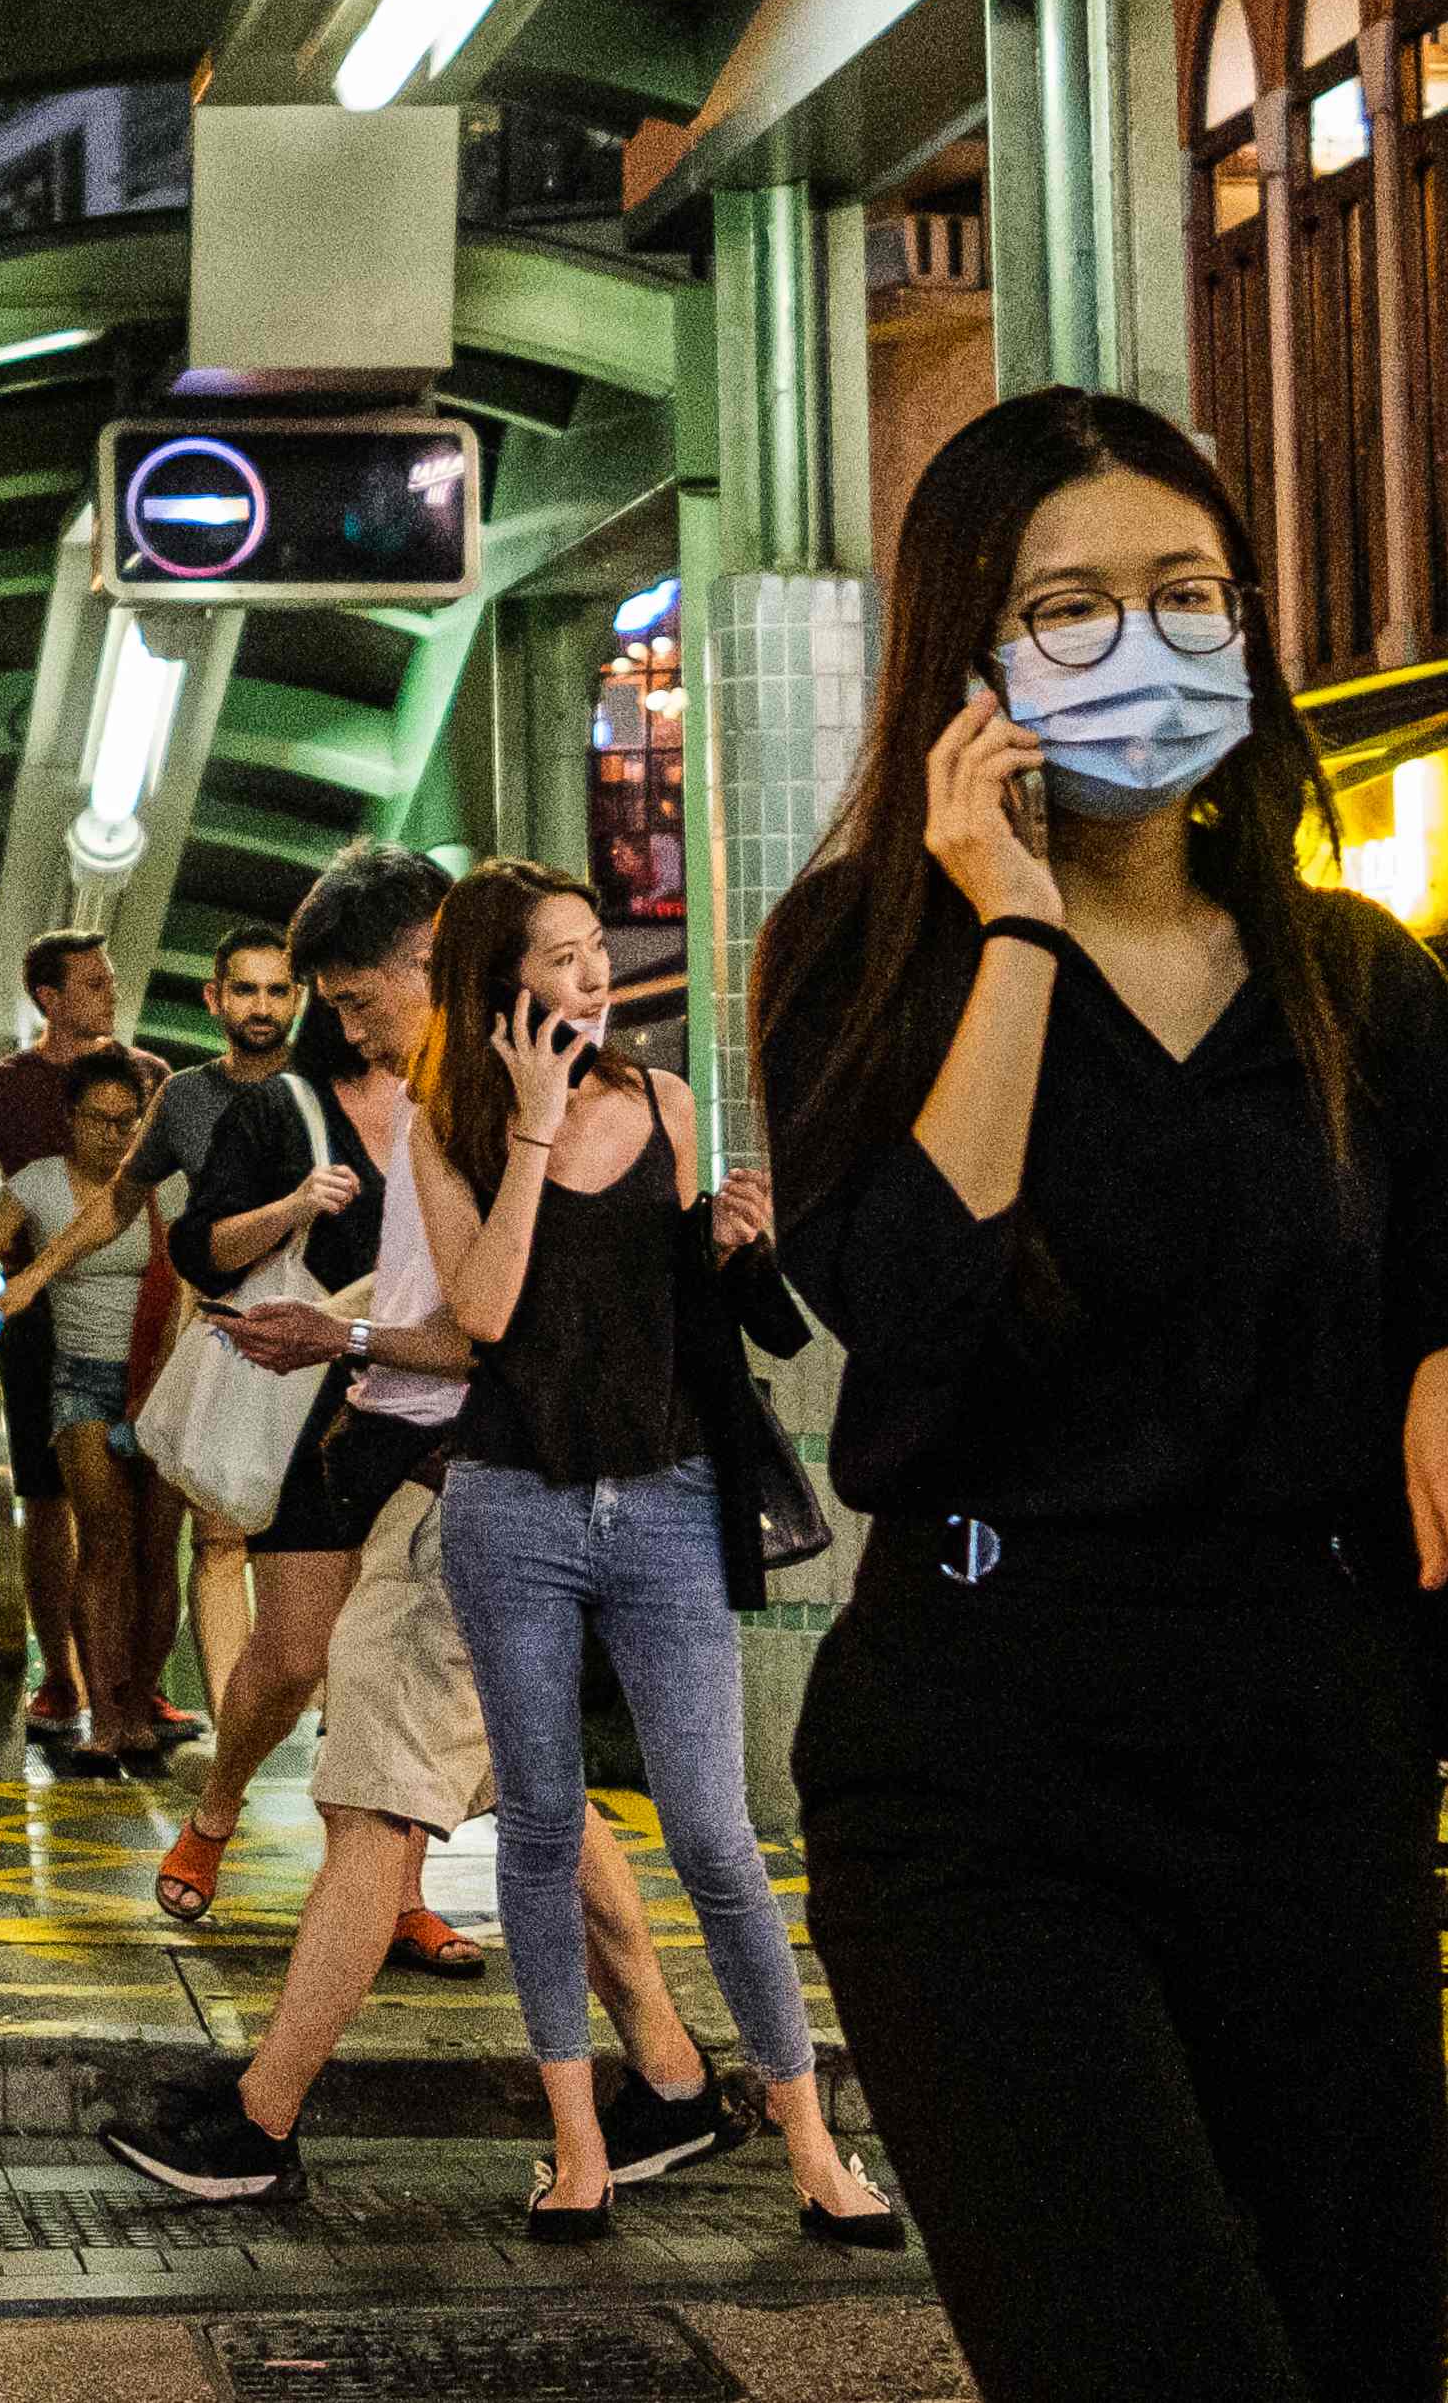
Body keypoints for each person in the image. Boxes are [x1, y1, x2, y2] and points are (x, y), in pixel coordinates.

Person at [755, 387, 1448, 2403]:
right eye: (1068, 606)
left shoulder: (1352, 980)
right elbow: (902, 1310)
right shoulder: (860, 957)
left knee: (1347, 2362)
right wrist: (1014, 931)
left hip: (1305, 1756)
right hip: (980, 1762)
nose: (1139, 643)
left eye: (1186, 594)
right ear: (964, 658)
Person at [100, 845, 749, 2208]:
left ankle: (261, 2123)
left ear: (433, 956)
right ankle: (677, 2078)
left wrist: (333, 1335)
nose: (350, 1026)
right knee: (532, 1796)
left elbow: (492, 1329)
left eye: (359, 995)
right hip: (456, 1479)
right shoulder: (492, 1111)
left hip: (475, 1487)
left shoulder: (507, 1121)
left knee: (374, 1807)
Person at [420, 862, 892, 2244]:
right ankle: (578, 2145)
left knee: (712, 1835)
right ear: (498, 985)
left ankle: (811, 2143)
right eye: (561, 957)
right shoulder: (445, 1132)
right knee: (541, 1827)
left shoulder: (665, 1105)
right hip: (513, 1508)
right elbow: (485, 1314)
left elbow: (698, 1319)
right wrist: (529, 1128)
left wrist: (736, 1249)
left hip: (670, 1499)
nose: (593, 975)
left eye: (594, 949)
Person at [156, 937, 408, 1931]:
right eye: (348, 999)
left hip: (425, 1406)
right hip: (308, 1412)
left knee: (392, 1666)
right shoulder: (280, 1109)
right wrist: (296, 1204)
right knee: (297, 1654)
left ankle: (397, 1892)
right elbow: (202, 1249)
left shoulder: (455, 1110)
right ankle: (217, 1809)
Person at [0, 930, 159, 1761]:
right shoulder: (1, 1092)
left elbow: (164, 1216)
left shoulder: (148, 1077)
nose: (109, 994)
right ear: (49, 997)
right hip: (43, 1326)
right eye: (93, 983)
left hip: (147, 1341)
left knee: (146, 1532)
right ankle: (67, 1679)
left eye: (110, 980)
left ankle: (136, 1688)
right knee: (60, 1508)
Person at [131, 928, 307, 1742]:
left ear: (298, 998)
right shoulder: (187, 1099)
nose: (261, 1007)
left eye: (276, 990)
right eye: (245, 989)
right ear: (215, 997)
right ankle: (240, 1725)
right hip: (227, 1330)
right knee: (218, 1532)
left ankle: (319, 1712)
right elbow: (122, 1197)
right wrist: (28, 1273)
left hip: (325, 1323)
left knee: (318, 1533)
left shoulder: (327, 1085)